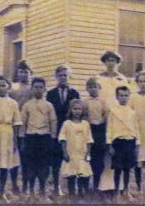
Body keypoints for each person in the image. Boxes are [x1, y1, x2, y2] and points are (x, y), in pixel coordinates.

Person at [95, 51, 130, 196]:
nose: (110, 63)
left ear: (117, 62)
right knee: (105, 151)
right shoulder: (98, 78)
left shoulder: (122, 79)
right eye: (108, 60)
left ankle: (119, 185)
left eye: (113, 60)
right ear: (104, 62)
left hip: (119, 118)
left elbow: (126, 97)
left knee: (118, 152)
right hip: (103, 118)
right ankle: (104, 185)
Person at [19, 77, 57, 203]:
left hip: (44, 138)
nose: (38, 89)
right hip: (31, 138)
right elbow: (23, 123)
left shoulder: (48, 105)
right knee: (31, 165)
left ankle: (43, 191)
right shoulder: (27, 105)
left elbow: (53, 122)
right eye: (36, 87)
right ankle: (31, 192)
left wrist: (52, 138)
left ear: (45, 89)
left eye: (41, 87)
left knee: (44, 165)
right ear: (32, 89)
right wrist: (22, 139)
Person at [46, 65, 80, 198]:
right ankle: (56, 187)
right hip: (56, 130)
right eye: (60, 75)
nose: (63, 78)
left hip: (70, 130)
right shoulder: (51, 93)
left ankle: (72, 188)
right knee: (56, 160)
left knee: (71, 157)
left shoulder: (74, 93)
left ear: (69, 76)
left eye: (65, 75)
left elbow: (77, 112)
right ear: (56, 77)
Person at [106, 86, 140, 202]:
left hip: (130, 141)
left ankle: (126, 189)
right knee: (118, 168)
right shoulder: (113, 112)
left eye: (126, 95)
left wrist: (137, 144)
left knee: (127, 167)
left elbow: (136, 129)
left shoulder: (132, 112)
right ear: (116, 97)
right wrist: (109, 144)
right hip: (118, 142)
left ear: (129, 97)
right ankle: (116, 191)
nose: (124, 98)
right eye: (121, 95)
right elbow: (109, 129)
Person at [59, 99, 93, 203]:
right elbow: (62, 138)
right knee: (71, 175)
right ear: (70, 110)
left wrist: (88, 153)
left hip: (82, 154)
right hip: (71, 153)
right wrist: (64, 152)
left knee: (84, 175)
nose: (77, 111)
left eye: (79, 109)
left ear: (82, 111)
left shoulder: (85, 124)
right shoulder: (67, 124)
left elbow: (89, 140)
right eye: (75, 109)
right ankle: (72, 195)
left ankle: (83, 193)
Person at [8, 59, 33, 195]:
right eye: (21, 72)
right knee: (14, 156)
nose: (24, 75)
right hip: (14, 126)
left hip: (30, 126)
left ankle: (26, 184)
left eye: (26, 72)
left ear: (31, 73)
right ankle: (14, 184)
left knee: (27, 157)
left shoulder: (33, 89)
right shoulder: (13, 88)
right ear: (17, 73)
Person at [82, 77, 109, 194]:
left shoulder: (103, 102)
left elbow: (106, 117)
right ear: (87, 88)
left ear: (99, 88)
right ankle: (85, 186)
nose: (93, 89)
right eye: (91, 87)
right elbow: (82, 116)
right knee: (87, 158)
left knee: (98, 160)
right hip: (88, 129)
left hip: (99, 131)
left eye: (95, 87)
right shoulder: (84, 102)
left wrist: (104, 132)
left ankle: (97, 185)